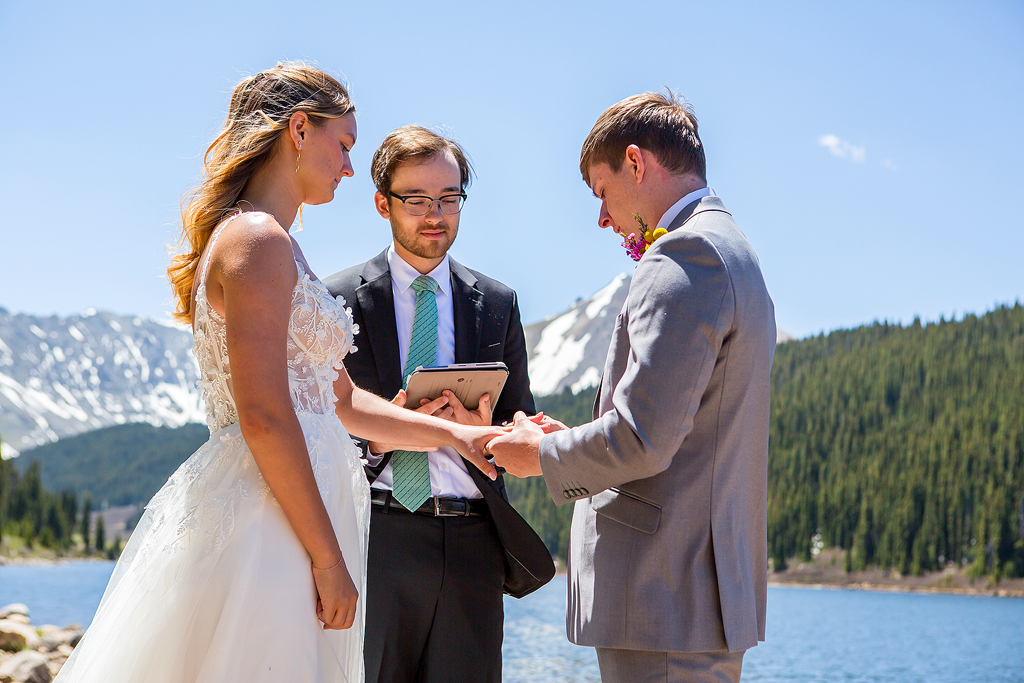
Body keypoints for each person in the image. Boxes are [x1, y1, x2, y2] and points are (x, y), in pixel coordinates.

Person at [54, 63, 501, 683]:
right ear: (299, 129)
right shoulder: (257, 240)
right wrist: (327, 559)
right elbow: (264, 415)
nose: (350, 167)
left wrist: (459, 435)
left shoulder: (279, 244)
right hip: (270, 523)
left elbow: (342, 401)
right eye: (343, 145)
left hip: (296, 511)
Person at [488, 92, 777, 683]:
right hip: (692, 602)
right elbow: (677, 428)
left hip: (662, 597)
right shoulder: (733, 250)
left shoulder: (683, 255)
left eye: (602, 191)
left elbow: (642, 439)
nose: (603, 217)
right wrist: (576, 437)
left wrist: (540, 454)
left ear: (636, 163)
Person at [323, 126, 554, 683]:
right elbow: (320, 427)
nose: (436, 215)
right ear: (383, 204)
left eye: (449, 199)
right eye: (417, 200)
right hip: (376, 539)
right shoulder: (337, 300)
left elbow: (519, 415)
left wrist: (496, 433)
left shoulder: (497, 302)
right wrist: (381, 434)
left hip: (473, 545)